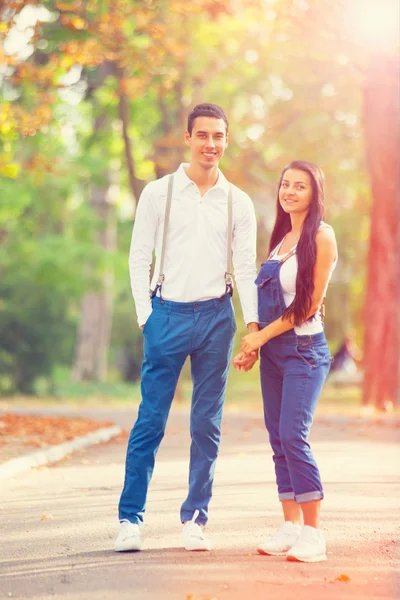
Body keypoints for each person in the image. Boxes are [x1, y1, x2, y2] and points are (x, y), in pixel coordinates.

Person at [115, 103, 259, 553]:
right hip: (168, 316)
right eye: (203, 135)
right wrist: (146, 316)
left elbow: (246, 267)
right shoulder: (160, 194)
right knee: (151, 420)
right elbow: (139, 258)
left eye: (218, 136)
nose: (210, 144)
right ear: (188, 137)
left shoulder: (238, 201)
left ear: (226, 140)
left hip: (217, 318)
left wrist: (252, 325)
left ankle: (195, 518)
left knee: (206, 424)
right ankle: (129, 520)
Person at [234, 160, 337, 563]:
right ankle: (290, 525)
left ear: (315, 194)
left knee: (294, 434)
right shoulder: (281, 239)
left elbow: (308, 306)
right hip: (275, 353)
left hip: (305, 353)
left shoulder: (322, 237)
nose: (290, 191)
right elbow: (266, 298)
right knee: (278, 439)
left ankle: (314, 532)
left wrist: (260, 336)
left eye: (300, 186)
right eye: (285, 185)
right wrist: (255, 344)